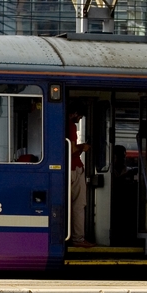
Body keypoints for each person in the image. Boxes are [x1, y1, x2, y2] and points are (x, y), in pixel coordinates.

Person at [67, 100, 93, 248]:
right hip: (74, 168)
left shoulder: (61, 124)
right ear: (75, 114)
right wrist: (83, 146)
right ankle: (78, 238)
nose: (80, 119)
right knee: (78, 204)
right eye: (80, 116)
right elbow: (70, 150)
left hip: (69, 169)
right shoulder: (70, 126)